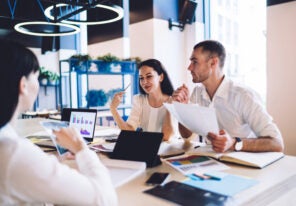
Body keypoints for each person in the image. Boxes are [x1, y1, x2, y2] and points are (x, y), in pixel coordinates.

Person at [0, 39, 117, 206]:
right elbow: (104, 200)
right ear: (23, 85)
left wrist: (48, 162)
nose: (38, 84)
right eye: (37, 77)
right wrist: (81, 147)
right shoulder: (12, 152)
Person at [172, 40, 284, 153]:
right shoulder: (197, 92)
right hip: (212, 161)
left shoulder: (244, 95)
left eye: (194, 62)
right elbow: (187, 135)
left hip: (243, 165)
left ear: (213, 63)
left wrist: (234, 143)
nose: (189, 68)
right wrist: (183, 109)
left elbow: (277, 143)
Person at [110, 59, 174, 141]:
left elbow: (166, 137)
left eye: (149, 76)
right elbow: (129, 131)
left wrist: (170, 105)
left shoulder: (174, 101)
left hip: (170, 151)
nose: (144, 82)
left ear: (161, 77)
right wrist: (113, 109)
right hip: (147, 149)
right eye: (141, 78)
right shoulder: (139, 100)